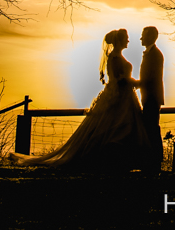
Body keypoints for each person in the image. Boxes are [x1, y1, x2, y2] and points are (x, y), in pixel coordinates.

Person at [11, 28, 146, 167]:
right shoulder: (115, 58)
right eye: (126, 38)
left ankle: (123, 161)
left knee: (122, 128)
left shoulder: (116, 56)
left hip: (123, 97)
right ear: (120, 40)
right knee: (116, 128)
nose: (128, 40)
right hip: (118, 98)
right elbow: (119, 80)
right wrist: (139, 83)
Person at [138, 26, 165, 172]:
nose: (141, 38)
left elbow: (150, 78)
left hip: (152, 98)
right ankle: (152, 161)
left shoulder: (155, 54)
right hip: (149, 97)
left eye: (143, 35)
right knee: (150, 128)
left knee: (152, 129)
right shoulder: (151, 53)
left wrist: (135, 84)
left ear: (150, 37)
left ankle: (154, 161)